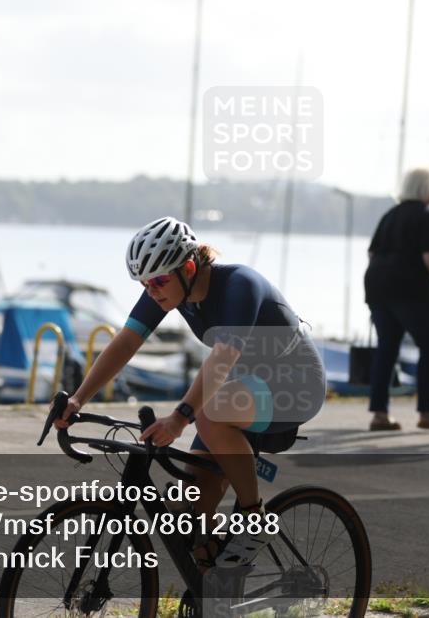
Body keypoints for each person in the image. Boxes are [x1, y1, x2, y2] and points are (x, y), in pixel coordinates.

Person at [54, 217, 326, 568]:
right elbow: (126, 343)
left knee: (209, 413)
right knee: (191, 513)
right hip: (244, 388)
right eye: (144, 283)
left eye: (158, 281)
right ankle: (218, 587)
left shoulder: (239, 285)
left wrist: (180, 418)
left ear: (190, 266)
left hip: (296, 383)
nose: (151, 290)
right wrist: (78, 399)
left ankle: (252, 518)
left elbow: (223, 358)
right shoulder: (169, 289)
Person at [363, 167, 429, 431]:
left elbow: (372, 254)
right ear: (425, 187)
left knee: (387, 349)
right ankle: (428, 412)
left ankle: (379, 414)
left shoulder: (390, 215)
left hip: (378, 287)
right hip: (412, 291)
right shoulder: (427, 217)